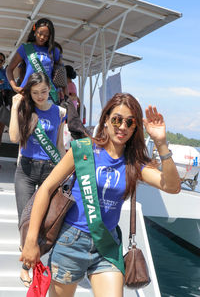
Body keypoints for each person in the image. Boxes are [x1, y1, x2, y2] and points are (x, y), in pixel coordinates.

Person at [20, 93, 181, 297]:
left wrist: (161, 143)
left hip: (106, 246)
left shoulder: (134, 164)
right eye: (117, 119)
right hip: (71, 242)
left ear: (135, 128)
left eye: (129, 122)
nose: (122, 127)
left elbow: (172, 187)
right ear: (106, 120)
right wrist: (31, 240)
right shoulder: (83, 150)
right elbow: (46, 189)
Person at [9, 72, 67, 287]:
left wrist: (64, 170)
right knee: (25, 221)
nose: (41, 96)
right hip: (25, 170)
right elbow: (14, 138)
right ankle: (27, 264)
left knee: (42, 221)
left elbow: (59, 145)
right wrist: (16, 108)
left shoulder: (59, 113)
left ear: (49, 89)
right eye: (35, 93)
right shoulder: (25, 109)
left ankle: (30, 264)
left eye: (44, 91)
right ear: (29, 93)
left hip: (49, 171)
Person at [6, 18, 61, 101]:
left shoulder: (54, 50)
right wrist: (14, 87)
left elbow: (61, 73)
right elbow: (9, 69)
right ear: (35, 31)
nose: (42, 37)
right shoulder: (25, 48)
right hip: (26, 94)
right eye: (40, 33)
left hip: (47, 95)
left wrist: (64, 92)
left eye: (46, 36)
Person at [0, 52, 13, 147]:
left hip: (3, 104)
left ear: (4, 62)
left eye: (1, 60)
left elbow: (10, 87)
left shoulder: (6, 73)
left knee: (0, 132)